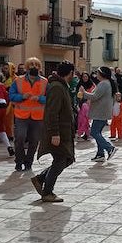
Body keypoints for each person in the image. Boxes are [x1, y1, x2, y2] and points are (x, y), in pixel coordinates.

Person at [32, 61, 76, 202]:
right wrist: (55, 133)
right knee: (61, 160)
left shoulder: (61, 86)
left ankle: (40, 179)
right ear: (70, 73)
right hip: (59, 132)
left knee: (66, 159)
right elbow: (52, 112)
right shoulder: (57, 87)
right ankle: (47, 192)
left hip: (64, 132)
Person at [9, 57, 47, 172]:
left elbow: (50, 98)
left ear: (39, 68)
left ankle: (29, 162)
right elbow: (11, 96)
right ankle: (19, 161)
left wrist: (40, 98)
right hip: (21, 115)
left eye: (36, 65)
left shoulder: (45, 82)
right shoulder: (18, 81)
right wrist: (22, 97)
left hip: (38, 116)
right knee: (20, 138)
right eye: (31, 65)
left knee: (34, 140)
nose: (34, 67)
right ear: (26, 67)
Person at [80, 66, 117, 163]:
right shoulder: (106, 83)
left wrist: (84, 93)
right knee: (98, 133)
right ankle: (100, 154)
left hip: (100, 112)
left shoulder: (104, 84)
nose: (96, 75)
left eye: (98, 73)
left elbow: (95, 96)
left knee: (94, 132)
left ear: (102, 74)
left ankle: (109, 148)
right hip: (102, 112)